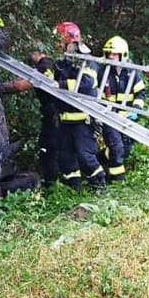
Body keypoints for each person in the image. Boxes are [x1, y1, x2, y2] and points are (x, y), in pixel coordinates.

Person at [52, 21, 106, 191]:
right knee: (66, 156)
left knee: (85, 155)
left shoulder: (87, 61)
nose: (58, 45)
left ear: (69, 41)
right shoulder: (63, 61)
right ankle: (74, 188)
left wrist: (60, 85)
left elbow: (86, 83)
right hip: (65, 120)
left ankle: (99, 185)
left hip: (84, 119)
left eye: (60, 41)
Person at [0, 45, 61, 185]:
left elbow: (23, 84)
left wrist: (1, 87)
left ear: (38, 52)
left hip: (53, 113)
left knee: (48, 146)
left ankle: (51, 181)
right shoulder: (50, 64)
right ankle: (52, 179)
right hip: (53, 113)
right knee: (50, 145)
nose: (29, 56)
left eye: (31, 53)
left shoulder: (45, 65)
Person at [98, 35, 145, 181]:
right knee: (117, 149)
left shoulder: (132, 72)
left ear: (122, 55)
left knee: (125, 149)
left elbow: (140, 93)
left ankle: (99, 160)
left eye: (114, 54)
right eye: (109, 54)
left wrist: (135, 110)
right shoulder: (103, 72)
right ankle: (118, 181)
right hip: (110, 118)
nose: (111, 57)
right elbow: (97, 95)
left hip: (128, 118)